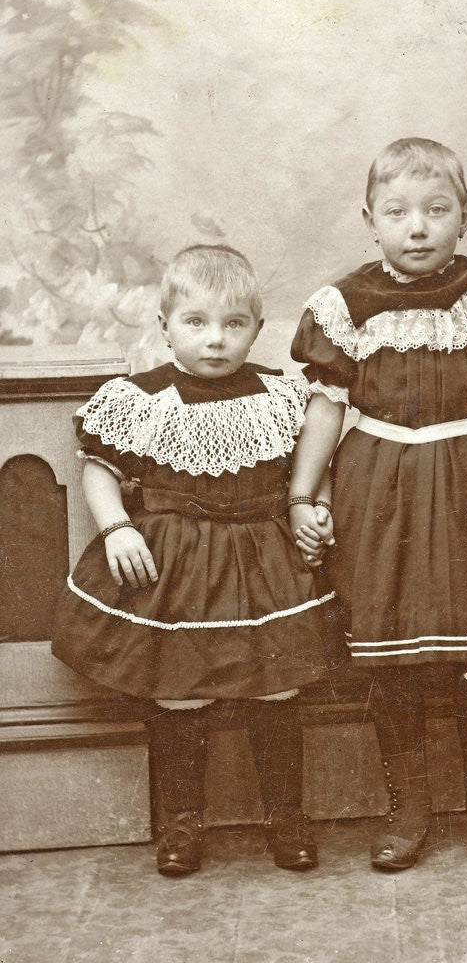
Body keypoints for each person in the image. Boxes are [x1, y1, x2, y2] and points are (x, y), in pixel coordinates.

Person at [289, 137, 467, 871]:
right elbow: (323, 413)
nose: (417, 227)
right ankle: (406, 806)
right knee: (392, 656)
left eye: (436, 210)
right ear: (370, 220)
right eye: (398, 212)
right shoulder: (347, 305)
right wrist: (300, 495)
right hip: (378, 489)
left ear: (463, 217)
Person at [53, 244, 341, 877]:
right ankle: (183, 822)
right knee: (180, 694)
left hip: (262, 559)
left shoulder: (278, 395)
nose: (216, 339)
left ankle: (284, 817)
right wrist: (118, 528)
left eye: (234, 324)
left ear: (257, 330)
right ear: (165, 326)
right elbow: (100, 471)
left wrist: (317, 507)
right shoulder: (141, 397)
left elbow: (310, 466)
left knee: (277, 689)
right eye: (197, 322)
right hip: (175, 562)